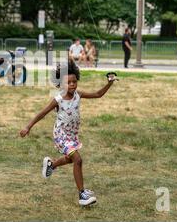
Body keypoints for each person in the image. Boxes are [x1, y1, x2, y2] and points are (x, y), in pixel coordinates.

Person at [19, 62, 117, 206]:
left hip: (72, 135)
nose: (72, 85)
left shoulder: (79, 95)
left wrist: (109, 83)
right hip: (61, 135)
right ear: (61, 84)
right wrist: (28, 127)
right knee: (78, 160)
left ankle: (51, 165)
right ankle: (82, 194)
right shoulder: (58, 100)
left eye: (74, 81)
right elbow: (42, 113)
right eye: (68, 82)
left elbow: (98, 94)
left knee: (71, 159)